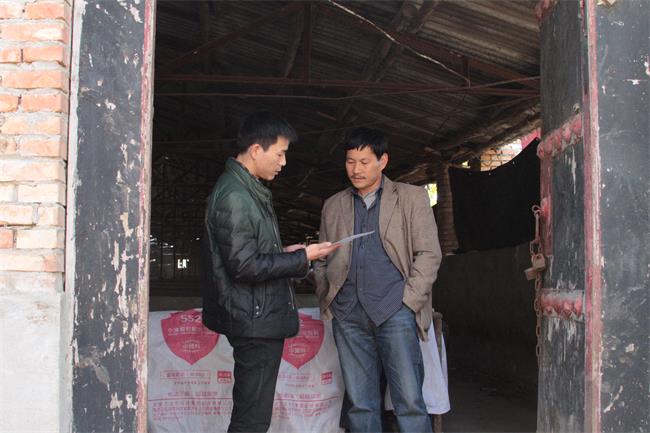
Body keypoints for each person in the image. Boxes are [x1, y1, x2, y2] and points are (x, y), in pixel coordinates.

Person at [202, 111, 340, 433]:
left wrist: (286, 253)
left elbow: (248, 253)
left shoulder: (246, 190)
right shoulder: (235, 196)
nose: (283, 162)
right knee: (252, 417)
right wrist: (302, 258)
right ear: (255, 150)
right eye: (279, 153)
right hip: (254, 319)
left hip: (256, 314)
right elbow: (244, 265)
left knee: (253, 410)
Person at [313, 127, 442, 433]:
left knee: (409, 401)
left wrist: (409, 302)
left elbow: (429, 254)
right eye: (350, 161)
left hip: (396, 311)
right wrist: (329, 296)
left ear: (383, 161)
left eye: (364, 162)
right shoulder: (334, 205)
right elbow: (321, 257)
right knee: (360, 404)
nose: (356, 169)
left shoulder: (411, 198)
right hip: (348, 315)